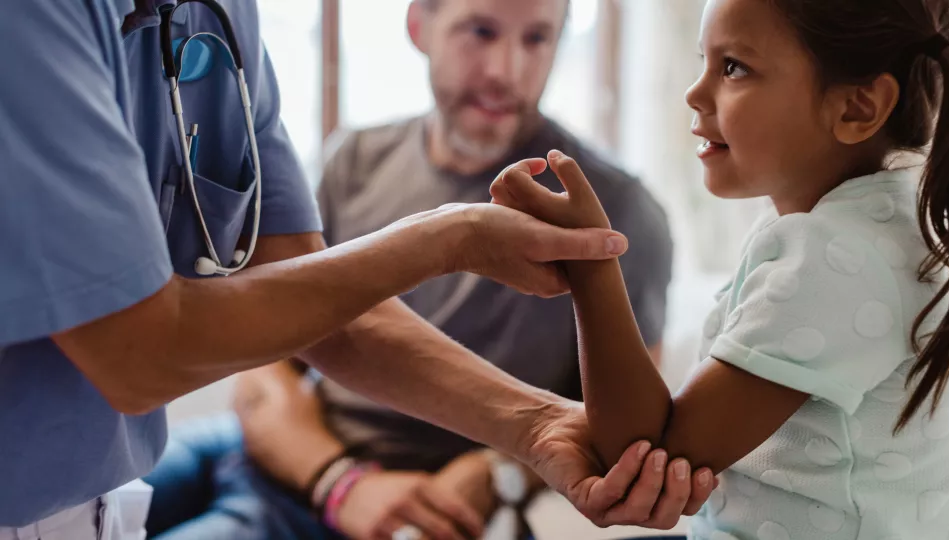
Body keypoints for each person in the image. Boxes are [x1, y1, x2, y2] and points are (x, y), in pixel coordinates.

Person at [0, 0, 716, 538]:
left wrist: (527, 438)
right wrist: (448, 238)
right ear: (419, 27)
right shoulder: (357, 158)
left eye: (538, 38)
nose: (505, 69)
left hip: (182, 478)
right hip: (232, 453)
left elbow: (317, 304)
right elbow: (161, 350)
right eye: (480, 31)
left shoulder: (616, 212)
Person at [489, 0, 949, 537]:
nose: (694, 92)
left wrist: (590, 257)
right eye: (703, 61)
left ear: (857, 108)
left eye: (734, 66)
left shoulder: (835, 256)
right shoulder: (899, 217)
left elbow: (646, 455)